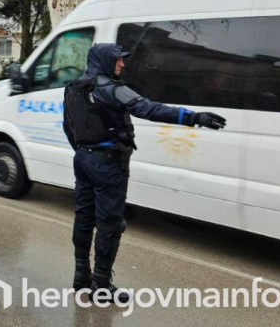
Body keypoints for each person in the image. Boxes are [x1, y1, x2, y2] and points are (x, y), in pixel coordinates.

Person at [63, 43, 226, 303]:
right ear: (105, 61)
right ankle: (101, 286)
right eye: (117, 60)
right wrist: (194, 117)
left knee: (83, 218)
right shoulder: (112, 90)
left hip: (83, 160)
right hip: (108, 164)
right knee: (109, 224)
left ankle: (81, 277)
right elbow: (149, 109)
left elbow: (68, 124)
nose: (122, 64)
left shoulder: (74, 87)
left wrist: (83, 151)